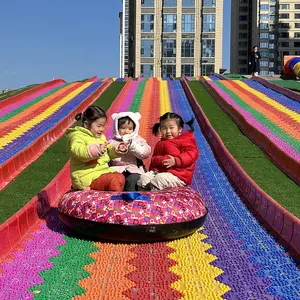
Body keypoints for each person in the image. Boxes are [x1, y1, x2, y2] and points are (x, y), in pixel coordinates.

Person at [66, 105, 125, 191]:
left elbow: (108, 151)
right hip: (86, 175)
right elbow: (78, 151)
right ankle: (114, 202)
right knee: (113, 180)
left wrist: (117, 149)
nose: (102, 129)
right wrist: (97, 150)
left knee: (120, 177)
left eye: (103, 126)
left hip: (100, 172)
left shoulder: (101, 138)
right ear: (86, 124)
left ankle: (111, 198)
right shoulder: (77, 136)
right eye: (99, 126)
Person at [137, 112, 199, 190]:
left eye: (171, 128)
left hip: (179, 175)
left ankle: (154, 200)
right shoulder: (160, 143)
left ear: (179, 129)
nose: (168, 131)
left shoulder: (184, 140)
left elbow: (192, 154)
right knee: (144, 178)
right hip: (161, 172)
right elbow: (154, 161)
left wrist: (176, 160)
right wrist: (153, 170)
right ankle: (143, 198)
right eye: (164, 128)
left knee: (159, 179)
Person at [109, 112, 151, 191]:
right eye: (123, 128)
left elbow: (146, 153)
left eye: (130, 129)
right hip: (116, 169)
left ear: (134, 129)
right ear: (116, 128)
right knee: (114, 180)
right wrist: (116, 148)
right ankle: (115, 200)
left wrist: (133, 146)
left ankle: (131, 200)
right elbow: (106, 154)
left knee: (132, 180)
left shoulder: (138, 140)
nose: (126, 131)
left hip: (134, 169)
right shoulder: (112, 141)